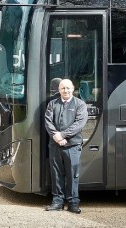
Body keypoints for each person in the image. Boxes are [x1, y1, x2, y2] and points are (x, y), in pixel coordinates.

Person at [43, 79, 88, 214]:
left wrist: (62, 135)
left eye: (68, 88)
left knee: (73, 174)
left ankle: (73, 203)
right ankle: (57, 202)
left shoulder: (80, 104)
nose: (66, 91)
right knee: (56, 174)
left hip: (72, 146)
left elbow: (79, 123)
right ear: (59, 90)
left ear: (73, 88)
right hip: (55, 145)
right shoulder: (52, 104)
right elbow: (47, 121)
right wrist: (56, 137)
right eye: (63, 88)